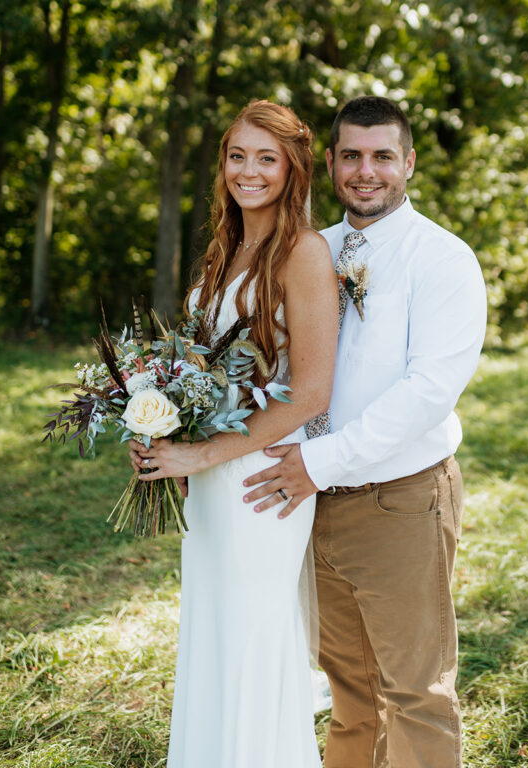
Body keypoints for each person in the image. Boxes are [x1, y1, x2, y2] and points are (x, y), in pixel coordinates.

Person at [242, 95, 487, 768]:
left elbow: (427, 393)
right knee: (350, 697)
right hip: (312, 506)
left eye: (382, 156)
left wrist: (317, 461)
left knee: (415, 693)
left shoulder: (441, 259)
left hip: (398, 501)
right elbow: (283, 365)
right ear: (329, 163)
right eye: (350, 155)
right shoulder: (308, 251)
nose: (365, 171)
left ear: (407, 162)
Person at [129, 100, 338, 768]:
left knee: (251, 637)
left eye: (265, 158)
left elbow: (309, 392)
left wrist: (204, 449)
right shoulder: (226, 250)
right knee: (213, 632)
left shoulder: (303, 253)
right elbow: (201, 368)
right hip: (210, 480)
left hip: (260, 481)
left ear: (292, 169)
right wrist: (157, 423)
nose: (248, 171)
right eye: (237, 156)